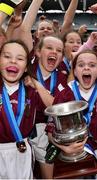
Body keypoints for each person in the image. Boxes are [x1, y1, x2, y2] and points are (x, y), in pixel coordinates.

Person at [46, 14, 97, 178]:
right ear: (75, 70)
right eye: (81, 65)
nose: (86, 69)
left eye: (92, 65)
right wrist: (61, 146)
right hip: (69, 153)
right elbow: (50, 128)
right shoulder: (66, 93)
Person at [0, 39, 54, 179]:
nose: (13, 61)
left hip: (23, 152)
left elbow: (54, 108)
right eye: (7, 56)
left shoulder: (31, 92)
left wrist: (36, 83)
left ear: (25, 67)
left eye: (20, 58)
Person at [29, 35, 68, 179]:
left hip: (46, 133)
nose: (54, 52)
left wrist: (36, 84)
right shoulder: (26, 69)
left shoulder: (63, 78)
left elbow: (55, 107)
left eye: (59, 50)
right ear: (38, 52)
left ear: (62, 57)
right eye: (49, 48)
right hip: (20, 132)